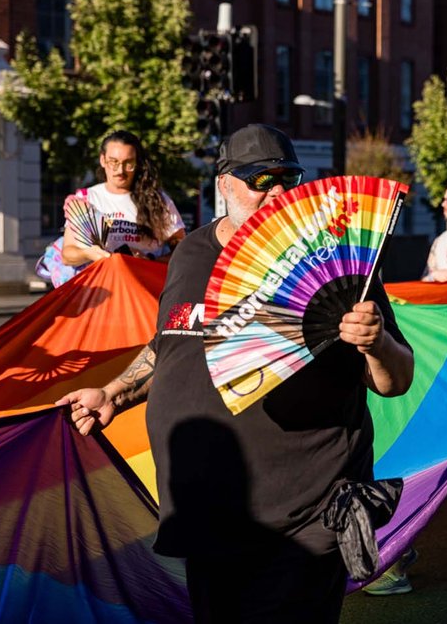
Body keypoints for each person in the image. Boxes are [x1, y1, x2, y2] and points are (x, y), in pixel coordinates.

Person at [58, 124, 414, 623]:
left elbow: (394, 380)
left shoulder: (338, 258)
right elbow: (173, 343)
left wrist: (376, 343)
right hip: (205, 513)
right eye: (260, 180)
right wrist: (116, 393)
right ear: (224, 184)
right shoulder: (192, 253)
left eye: (287, 179)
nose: (277, 193)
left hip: (304, 514)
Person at [62, 130, 186, 267]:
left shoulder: (158, 200)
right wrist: (88, 253)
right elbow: (67, 255)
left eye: (128, 163)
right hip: (102, 285)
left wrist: (149, 260)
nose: (120, 170)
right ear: (102, 160)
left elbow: (183, 251)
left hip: (144, 285)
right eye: (113, 162)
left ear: (138, 163)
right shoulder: (86, 199)